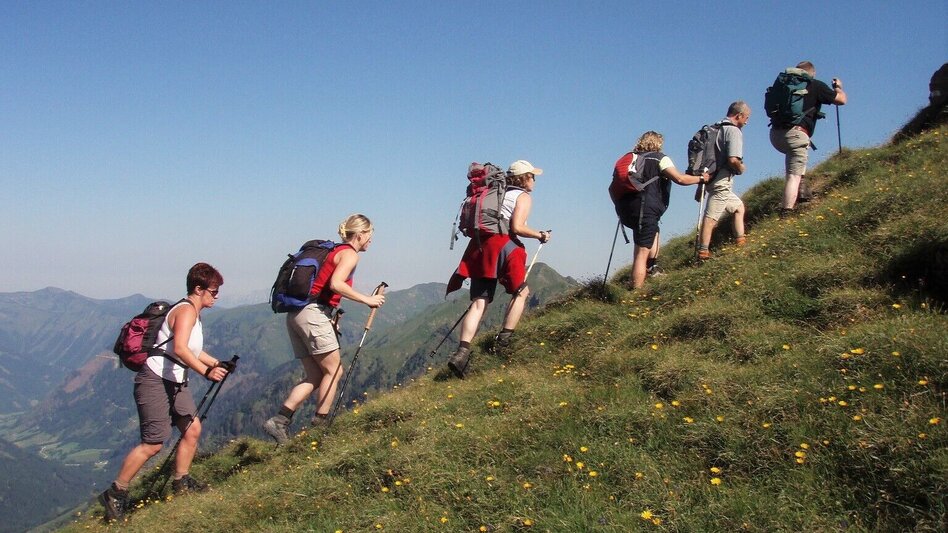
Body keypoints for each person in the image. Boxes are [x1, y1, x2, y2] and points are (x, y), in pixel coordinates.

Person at [99, 263, 230, 522]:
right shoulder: (186, 312)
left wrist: (216, 363)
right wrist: (206, 372)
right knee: (153, 443)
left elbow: (189, 350)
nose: (217, 296)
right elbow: (181, 349)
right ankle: (116, 492)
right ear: (198, 288)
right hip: (155, 380)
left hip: (174, 381)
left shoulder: (192, 312)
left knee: (192, 429)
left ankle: (180, 482)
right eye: (213, 291)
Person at [263, 214, 385, 444]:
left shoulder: (333, 250)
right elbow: (336, 284)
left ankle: (279, 420)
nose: (371, 240)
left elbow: (325, 287)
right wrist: (367, 300)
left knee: (316, 374)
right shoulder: (349, 254)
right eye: (370, 235)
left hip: (297, 315)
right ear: (360, 235)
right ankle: (320, 426)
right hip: (312, 314)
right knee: (335, 371)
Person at [445, 160, 551, 379]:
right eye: (532, 176)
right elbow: (517, 227)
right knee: (521, 292)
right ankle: (504, 341)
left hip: (480, 245)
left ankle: (462, 352)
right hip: (503, 245)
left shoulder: (495, 193)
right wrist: (540, 235)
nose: (535, 180)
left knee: (479, 302)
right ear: (523, 178)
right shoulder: (522, 197)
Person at [612, 131, 706, 289]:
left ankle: (652, 267)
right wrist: (701, 179)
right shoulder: (660, 158)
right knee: (641, 253)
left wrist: (619, 207)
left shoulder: (630, 160)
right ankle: (636, 292)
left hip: (627, 209)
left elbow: (611, 188)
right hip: (646, 208)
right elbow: (680, 179)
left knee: (652, 232)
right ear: (658, 144)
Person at [769, 61, 847, 217]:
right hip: (797, 134)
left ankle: (803, 190)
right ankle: (786, 213)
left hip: (775, 134)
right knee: (793, 175)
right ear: (812, 73)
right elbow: (841, 100)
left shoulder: (783, 85)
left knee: (797, 159)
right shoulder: (815, 85)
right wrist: (838, 87)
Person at [698, 101, 751, 260]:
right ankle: (703, 253)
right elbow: (732, 159)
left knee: (738, 207)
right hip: (722, 180)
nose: (747, 121)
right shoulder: (733, 131)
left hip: (711, 178)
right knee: (711, 218)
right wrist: (741, 168)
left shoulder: (715, 129)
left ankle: (740, 241)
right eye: (746, 118)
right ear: (739, 115)